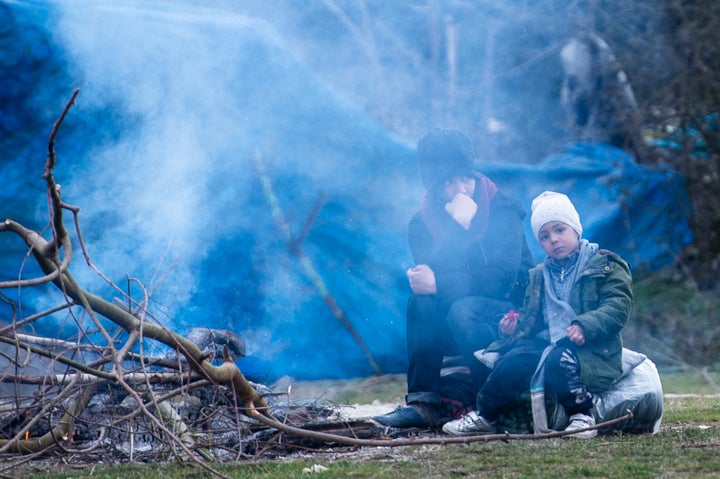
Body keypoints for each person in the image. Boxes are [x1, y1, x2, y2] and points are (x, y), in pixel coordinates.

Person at [373, 128, 534, 428]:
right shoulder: (421, 225)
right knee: (420, 301)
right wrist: (455, 229)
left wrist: (443, 281)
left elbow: (504, 279)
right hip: (457, 319)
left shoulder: (503, 210)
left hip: (511, 314)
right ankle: (424, 404)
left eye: (466, 178)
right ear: (433, 186)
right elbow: (428, 276)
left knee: (463, 309)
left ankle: (494, 402)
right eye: (449, 181)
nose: (461, 189)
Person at [442, 190, 633, 438]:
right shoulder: (540, 274)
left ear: (575, 228)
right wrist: (514, 326)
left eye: (559, 230)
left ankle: (582, 415)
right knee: (513, 360)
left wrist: (585, 325)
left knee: (558, 360)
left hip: (591, 345)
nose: (553, 239)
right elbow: (534, 318)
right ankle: (486, 415)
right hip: (548, 340)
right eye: (544, 236)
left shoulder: (605, 265)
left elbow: (618, 306)